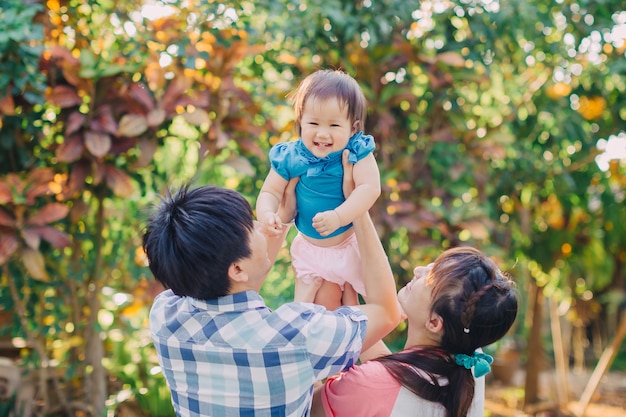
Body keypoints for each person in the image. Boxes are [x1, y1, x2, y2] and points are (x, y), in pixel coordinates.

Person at [143, 179, 401, 417]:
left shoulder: (166, 317)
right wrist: (357, 207)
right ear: (237, 269)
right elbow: (387, 312)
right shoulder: (295, 337)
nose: (259, 227)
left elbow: (235, 291)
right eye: (250, 227)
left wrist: (284, 219)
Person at [309, 246, 519, 417]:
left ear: (435, 323)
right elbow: (398, 377)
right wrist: (357, 319)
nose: (418, 270)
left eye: (429, 280)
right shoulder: (469, 363)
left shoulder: (372, 385)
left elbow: (303, 406)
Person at [256, 68, 381, 310]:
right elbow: (270, 192)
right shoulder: (291, 155)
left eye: (334, 125)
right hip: (310, 249)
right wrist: (267, 214)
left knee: (368, 308)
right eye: (313, 123)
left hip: (349, 246)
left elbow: (370, 188)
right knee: (317, 309)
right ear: (300, 122)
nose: (322, 134)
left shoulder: (356, 150)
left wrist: (339, 216)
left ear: (353, 128)